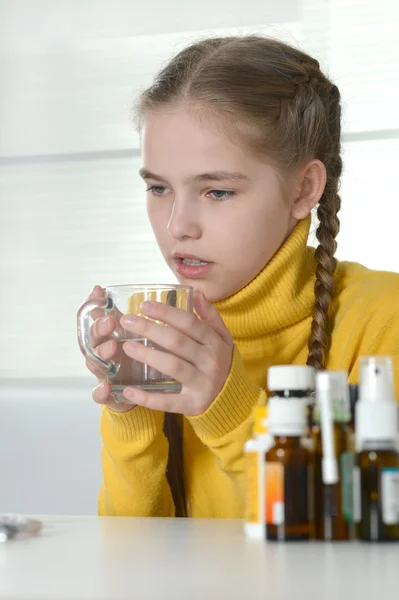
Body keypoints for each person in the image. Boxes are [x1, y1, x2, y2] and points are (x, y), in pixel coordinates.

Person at [84, 35, 399, 518]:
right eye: (159, 187)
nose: (177, 226)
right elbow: (130, 566)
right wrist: (131, 418)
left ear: (303, 188)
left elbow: (364, 552)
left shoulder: (384, 319)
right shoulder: (165, 336)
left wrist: (229, 409)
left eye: (217, 192)